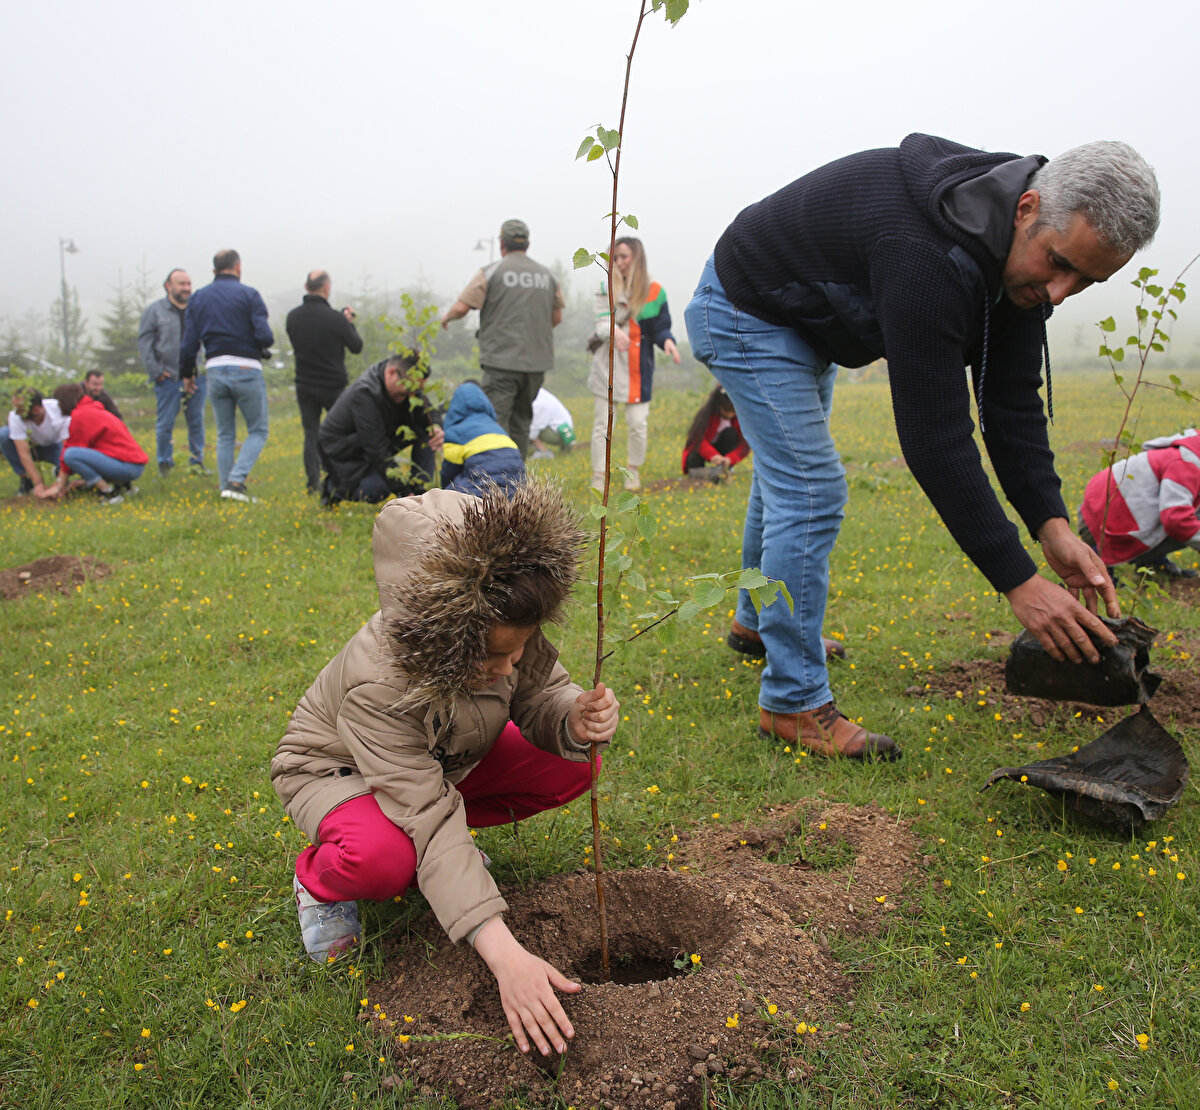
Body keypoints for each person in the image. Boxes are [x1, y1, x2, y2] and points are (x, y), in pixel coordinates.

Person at [684, 134, 1161, 760]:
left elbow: (1010, 404)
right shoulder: (925, 251)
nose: (1059, 293)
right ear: (1027, 209)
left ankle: (758, 621)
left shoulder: (1016, 261)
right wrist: (1019, 580)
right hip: (750, 306)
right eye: (1058, 262)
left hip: (807, 317)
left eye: (1086, 281)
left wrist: (1051, 525)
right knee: (809, 487)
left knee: (788, 477)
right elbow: (935, 437)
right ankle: (793, 701)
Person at [271, 481, 619, 1058]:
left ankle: (443, 868)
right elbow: (426, 813)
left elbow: (541, 695)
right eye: (493, 657)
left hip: (440, 768)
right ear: (441, 638)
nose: (510, 666)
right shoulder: (377, 686)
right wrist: (506, 956)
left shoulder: (502, 618)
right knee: (388, 858)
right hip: (336, 775)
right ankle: (319, 882)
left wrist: (572, 719)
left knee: (569, 767)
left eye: (521, 648)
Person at [441, 219, 564, 458]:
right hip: (535, 364)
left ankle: (497, 484)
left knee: (496, 424)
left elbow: (462, 308)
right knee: (522, 421)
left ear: (501, 244)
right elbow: (556, 317)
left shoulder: (491, 272)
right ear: (527, 244)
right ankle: (517, 480)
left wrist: (446, 317)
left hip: (501, 362)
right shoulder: (548, 276)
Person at [587, 237, 681, 491]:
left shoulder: (654, 291)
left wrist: (668, 342)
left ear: (636, 258)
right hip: (608, 364)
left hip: (639, 369)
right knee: (603, 424)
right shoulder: (605, 286)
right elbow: (601, 322)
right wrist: (615, 332)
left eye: (624, 257)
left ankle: (633, 471)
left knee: (638, 424)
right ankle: (599, 474)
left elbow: (660, 327)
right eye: (614, 257)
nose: (618, 262)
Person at [180, 250, 273, 502]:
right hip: (246, 368)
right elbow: (265, 336)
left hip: (214, 369)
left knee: (225, 433)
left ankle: (226, 488)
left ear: (214, 270)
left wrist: (187, 374)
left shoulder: (198, 298)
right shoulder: (249, 295)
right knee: (258, 430)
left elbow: (188, 344)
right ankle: (235, 481)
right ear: (238, 267)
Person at [317, 352, 444, 504]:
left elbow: (426, 412)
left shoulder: (407, 384)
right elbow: (376, 447)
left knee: (426, 430)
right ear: (391, 373)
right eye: (408, 390)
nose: (412, 395)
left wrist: (436, 427)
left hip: (377, 441)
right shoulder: (365, 394)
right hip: (346, 454)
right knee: (377, 490)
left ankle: (420, 491)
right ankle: (333, 488)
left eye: (416, 390)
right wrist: (404, 493)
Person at [1079, 429, 1200, 579]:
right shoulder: (1186, 463)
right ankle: (1098, 565)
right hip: (1097, 525)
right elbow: (1175, 519)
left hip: (1098, 512)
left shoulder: (1189, 449)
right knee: (1188, 519)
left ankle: (1154, 563)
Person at [285, 270, 363, 494]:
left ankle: (313, 483)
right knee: (341, 431)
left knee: (311, 433)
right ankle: (341, 477)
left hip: (304, 383)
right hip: (333, 385)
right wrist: (348, 323)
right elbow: (356, 346)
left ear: (306, 286)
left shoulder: (293, 317)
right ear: (326, 288)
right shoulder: (336, 319)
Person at [138, 268, 208, 478]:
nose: (186, 288)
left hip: (196, 377)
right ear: (168, 286)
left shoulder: (197, 309)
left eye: (188, 284)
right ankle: (165, 464)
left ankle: (197, 463)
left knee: (196, 421)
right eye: (181, 284)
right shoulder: (155, 311)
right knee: (165, 423)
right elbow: (145, 343)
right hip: (168, 377)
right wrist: (157, 372)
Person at [40, 383, 147, 505]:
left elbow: (71, 450)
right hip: (133, 465)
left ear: (65, 401)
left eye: (59, 402)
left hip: (127, 467)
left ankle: (107, 492)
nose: (58, 406)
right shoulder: (92, 410)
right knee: (73, 456)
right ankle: (124, 487)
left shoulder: (80, 415)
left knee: (70, 455)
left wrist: (59, 485)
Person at [440, 382, 525, 496]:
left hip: (483, 485)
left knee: (448, 496)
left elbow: (449, 473)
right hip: (515, 486)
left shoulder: (454, 433)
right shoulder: (496, 426)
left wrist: (444, 491)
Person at [2, 389, 69, 497]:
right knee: (4, 435)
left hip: (57, 446)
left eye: (20, 409)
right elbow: (23, 453)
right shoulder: (15, 416)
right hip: (32, 446)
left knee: (70, 458)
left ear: (36, 409)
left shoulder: (58, 409)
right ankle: (26, 481)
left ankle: (63, 479)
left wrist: (59, 483)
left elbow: (68, 447)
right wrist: (38, 482)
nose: (16, 412)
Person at [681, 385, 749, 477]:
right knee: (693, 459)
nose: (730, 414)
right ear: (718, 404)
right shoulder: (706, 415)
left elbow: (744, 445)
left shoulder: (739, 419)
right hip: (703, 449)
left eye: (734, 410)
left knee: (731, 434)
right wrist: (712, 455)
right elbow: (697, 439)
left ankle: (725, 469)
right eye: (727, 409)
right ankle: (698, 475)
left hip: (723, 450)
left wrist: (730, 459)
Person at [529, 386, 576, 460]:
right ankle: (567, 445)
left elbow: (535, 427)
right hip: (566, 431)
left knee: (524, 425)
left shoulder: (538, 402)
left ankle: (544, 452)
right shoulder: (540, 392)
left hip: (558, 433)